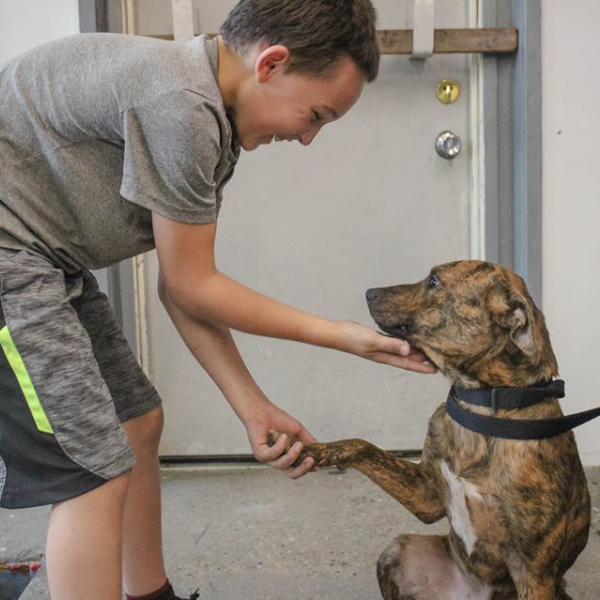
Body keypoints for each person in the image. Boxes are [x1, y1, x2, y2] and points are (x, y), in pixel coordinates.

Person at [0, 1, 434, 598]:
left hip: (46, 260)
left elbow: (184, 287)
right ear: (273, 63)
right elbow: (193, 286)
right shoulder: (181, 109)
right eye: (316, 114)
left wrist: (252, 406)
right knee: (91, 471)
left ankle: (152, 594)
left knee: (137, 423)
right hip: (10, 261)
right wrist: (343, 336)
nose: (307, 137)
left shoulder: (209, 110)